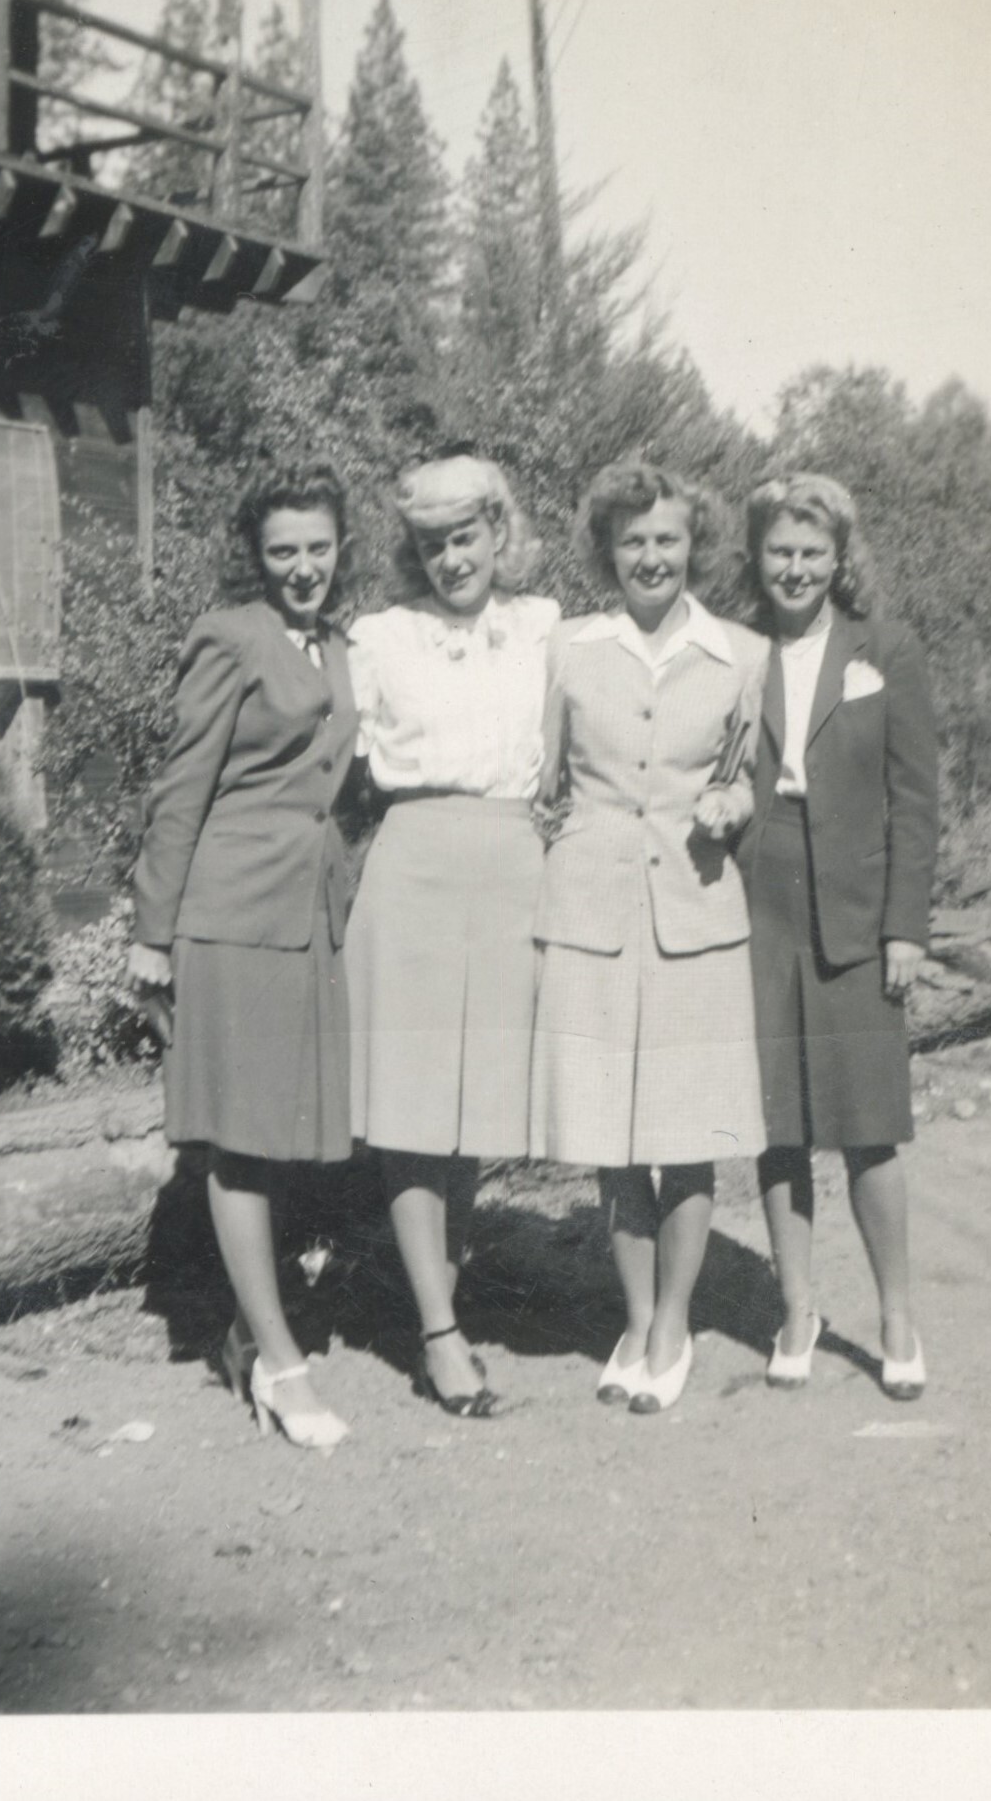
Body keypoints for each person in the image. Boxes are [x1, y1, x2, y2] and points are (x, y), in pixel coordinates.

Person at [126, 464, 359, 1452]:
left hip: (307, 913)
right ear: (256, 557)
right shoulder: (230, 636)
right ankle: (278, 1362)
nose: (303, 567)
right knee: (240, 1139)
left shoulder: (339, 643)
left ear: (340, 546)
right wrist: (150, 934)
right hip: (229, 914)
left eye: (318, 547)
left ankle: (244, 1335)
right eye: (282, 551)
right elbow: (181, 788)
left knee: (284, 1135)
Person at [529, 460, 768, 1414]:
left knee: (689, 1128)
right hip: (590, 914)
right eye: (632, 540)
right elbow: (542, 781)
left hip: (695, 914)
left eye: (667, 538)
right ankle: (634, 1319)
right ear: (607, 550)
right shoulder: (569, 648)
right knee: (611, 1133)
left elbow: (747, 775)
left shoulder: (739, 654)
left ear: (692, 545)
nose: (651, 556)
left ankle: (674, 1323)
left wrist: (730, 803)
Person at [345, 451, 558, 1418]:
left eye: (465, 537)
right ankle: (436, 1331)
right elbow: (327, 752)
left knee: (474, 1107)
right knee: (412, 1109)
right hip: (416, 865)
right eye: (431, 545)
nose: (451, 560)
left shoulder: (546, 627)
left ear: (498, 533)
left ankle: (446, 1307)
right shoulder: (381, 637)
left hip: (512, 866)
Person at [735, 472, 939, 1400]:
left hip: (856, 910)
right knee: (775, 1123)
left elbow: (915, 801)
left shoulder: (884, 648)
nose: (795, 568)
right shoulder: (737, 651)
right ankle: (797, 1310)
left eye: (812, 552)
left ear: (838, 557)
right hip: (758, 901)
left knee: (868, 1125)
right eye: (780, 550)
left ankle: (895, 1316)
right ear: (756, 556)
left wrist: (905, 927)